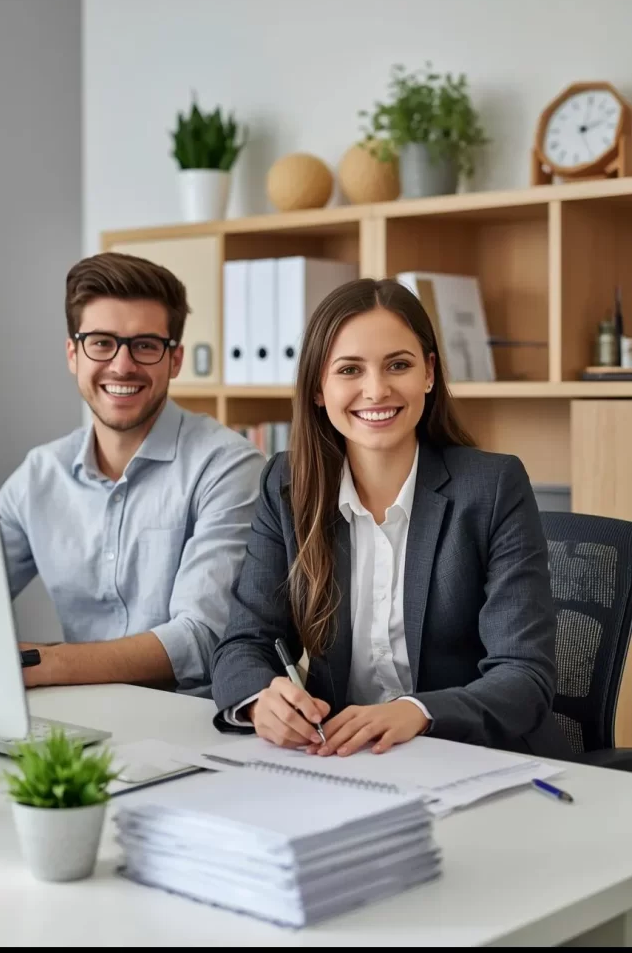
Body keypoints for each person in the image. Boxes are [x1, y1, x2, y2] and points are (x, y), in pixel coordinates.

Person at [211, 277, 570, 759]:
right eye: (349, 370)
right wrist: (260, 701)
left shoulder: (492, 487)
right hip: (347, 764)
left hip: (472, 757)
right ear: (319, 389)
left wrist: (417, 712)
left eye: (397, 365)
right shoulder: (288, 487)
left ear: (428, 373)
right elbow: (243, 644)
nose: (375, 390)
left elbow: (525, 675)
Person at [0, 253, 265, 697]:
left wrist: (39, 662)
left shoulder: (228, 467)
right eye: (101, 343)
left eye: (145, 345)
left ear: (174, 360)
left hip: (189, 722)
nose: (122, 365)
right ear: (73, 354)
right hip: (75, 713)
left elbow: (200, 639)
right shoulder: (39, 475)